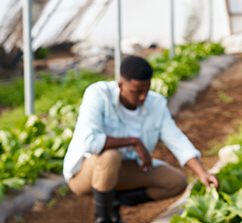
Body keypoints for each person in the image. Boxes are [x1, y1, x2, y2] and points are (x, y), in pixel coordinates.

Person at [62, 55, 219, 223]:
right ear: (121, 85)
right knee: (110, 156)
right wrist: (133, 141)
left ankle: (114, 202)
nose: (143, 97)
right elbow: (90, 141)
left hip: (124, 169)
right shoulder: (98, 95)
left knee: (175, 181)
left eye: (146, 90)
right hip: (84, 175)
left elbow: (176, 138)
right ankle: (104, 218)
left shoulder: (155, 103)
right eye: (136, 91)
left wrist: (202, 172)